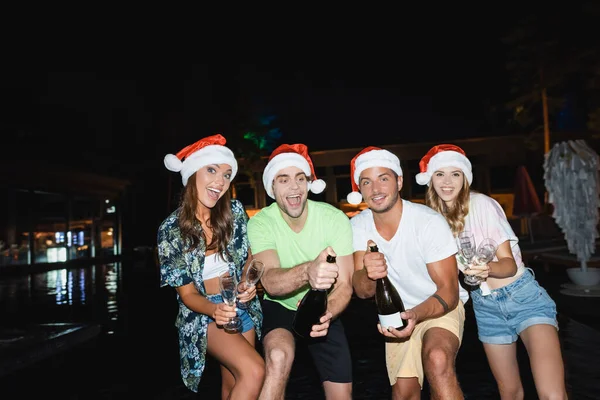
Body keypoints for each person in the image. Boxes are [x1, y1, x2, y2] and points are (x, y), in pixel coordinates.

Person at [417, 144, 567, 399]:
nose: (447, 181)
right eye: (440, 174)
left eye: (455, 174)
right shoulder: (431, 221)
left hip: (523, 296)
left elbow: (508, 264)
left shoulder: (482, 205)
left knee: (552, 394)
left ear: (465, 178)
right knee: (510, 393)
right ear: (430, 178)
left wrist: (486, 269)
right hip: (485, 308)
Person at [347, 146, 468, 400]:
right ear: (359, 188)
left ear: (399, 181)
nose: (375, 189)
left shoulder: (428, 222)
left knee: (437, 359)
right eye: (366, 182)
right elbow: (361, 290)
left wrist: (415, 314)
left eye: (383, 179)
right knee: (404, 394)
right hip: (394, 316)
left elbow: (449, 291)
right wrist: (369, 273)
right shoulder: (357, 226)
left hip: (438, 306)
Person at [157, 134, 265, 398]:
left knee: (233, 385)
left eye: (227, 175)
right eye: (212, 170)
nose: (220, 181)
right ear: (193, 173)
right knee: (255, 371)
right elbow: (188, 295)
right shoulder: (170, 230)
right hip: (204, 315)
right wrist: (215, 309)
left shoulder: (235, 212)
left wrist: (248, 283)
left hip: (242, 306)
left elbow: (248, 257)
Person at [247, 143, 355, 400]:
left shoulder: (334, 218)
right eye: (283, 180)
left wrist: (327, 314)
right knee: (277, 356)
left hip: (324, 306)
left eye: (300, 178)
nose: (294, 187)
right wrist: (309, 270)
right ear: (272, 188)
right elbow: (271, 282)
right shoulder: (261, 222)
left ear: (309, 183)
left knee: (342, 396)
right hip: (280, 306)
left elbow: (345, 285)